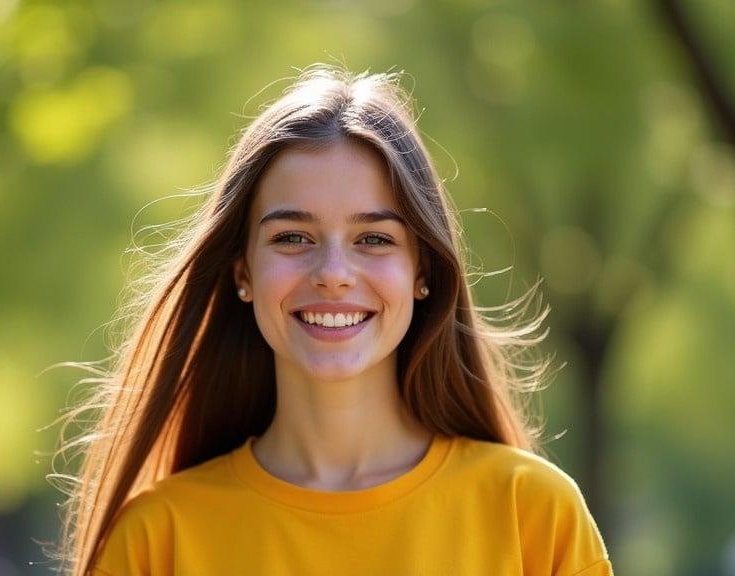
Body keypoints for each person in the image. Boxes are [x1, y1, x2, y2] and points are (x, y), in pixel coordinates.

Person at [51, 64, 613, 576]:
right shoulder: (158, 538)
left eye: (374, 238)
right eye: (292, 237)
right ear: (243, 272)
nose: (333, 273)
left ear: (423, 272)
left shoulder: (532, 514)